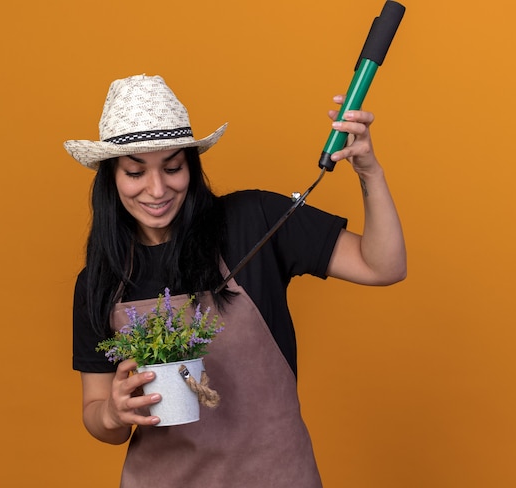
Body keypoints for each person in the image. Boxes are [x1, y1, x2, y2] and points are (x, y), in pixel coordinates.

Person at [65, 74, 406, 487]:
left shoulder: (252, 221)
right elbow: (99, 413)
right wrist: (112, 413)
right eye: (135, 173)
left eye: (172, 167)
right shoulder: (101, 281)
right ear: (111, 179)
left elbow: (383, 266)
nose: (157, 189)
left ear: (190, 165)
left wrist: (369, 171)